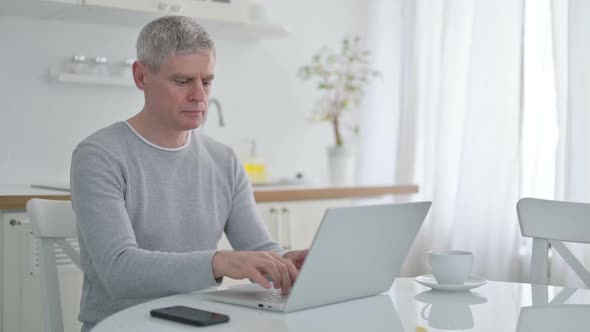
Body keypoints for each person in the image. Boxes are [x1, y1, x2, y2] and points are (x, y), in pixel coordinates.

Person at [70, 15, 308, 330]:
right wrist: (218, 261)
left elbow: (259, 248)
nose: (199, 96)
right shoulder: (98, 156)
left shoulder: (224, 160)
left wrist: (286, 262)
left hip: (204, 323)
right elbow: (119, 270)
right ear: (141, 76)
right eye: (182, 81)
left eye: (206, 81)